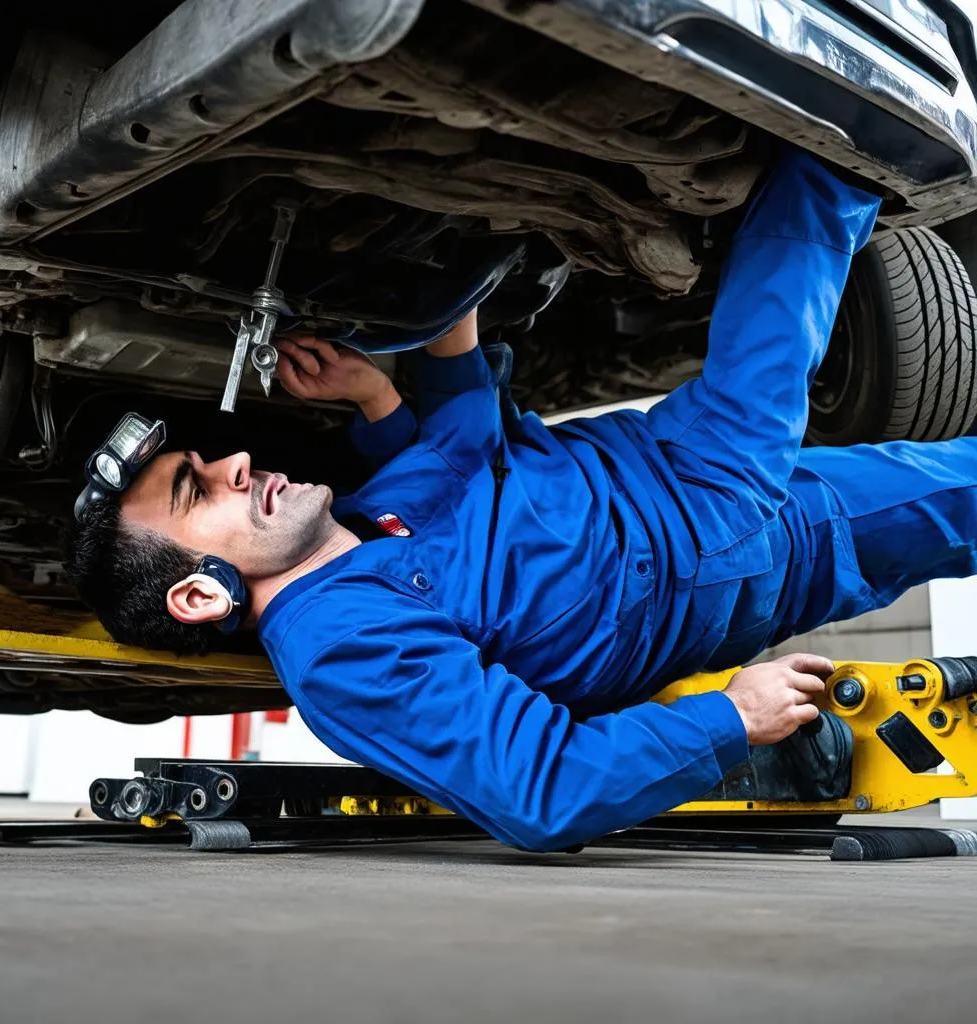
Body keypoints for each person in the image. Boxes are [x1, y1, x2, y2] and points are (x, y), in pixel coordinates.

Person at [67, 150, 977, 851]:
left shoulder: (368, 515)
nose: (233, 462)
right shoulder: (341, 652)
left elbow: (464, 432)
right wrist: (730, 718)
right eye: (197, 488)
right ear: (201, 592)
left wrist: (390, 368)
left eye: (206, 456)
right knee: (793, 302)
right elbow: (540, 794)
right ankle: (842, 137)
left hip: (667, 457)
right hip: (713, 535)